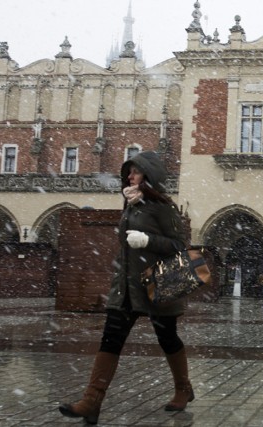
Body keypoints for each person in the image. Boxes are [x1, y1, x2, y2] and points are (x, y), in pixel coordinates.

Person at [59, 151, 193, 424]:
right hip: (126, 287)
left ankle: (183, 388)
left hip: (157, 283)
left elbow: (179, 246)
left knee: (167, 338)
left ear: (149, 176)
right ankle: (92, 401)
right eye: (128, 172)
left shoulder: (163, 206)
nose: (129, 177)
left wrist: (147, 240)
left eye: (135, 172)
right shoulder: (131, 204)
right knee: (111, 338)